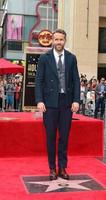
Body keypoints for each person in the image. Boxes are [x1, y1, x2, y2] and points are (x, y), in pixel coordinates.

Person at [35, 29, 80, 181]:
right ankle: (52, 168)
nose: (59, 42)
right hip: (50, 104)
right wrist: (40, 101)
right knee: (51, 137)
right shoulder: (44, 58)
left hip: (66, 103)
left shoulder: (72, 58)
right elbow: (39, 81)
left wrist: (76, 100)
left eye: (61, 39)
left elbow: (76, 81)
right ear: (53, 41)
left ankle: (62, 167)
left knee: (64, 137)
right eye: (56, 39)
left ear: (65, 41)